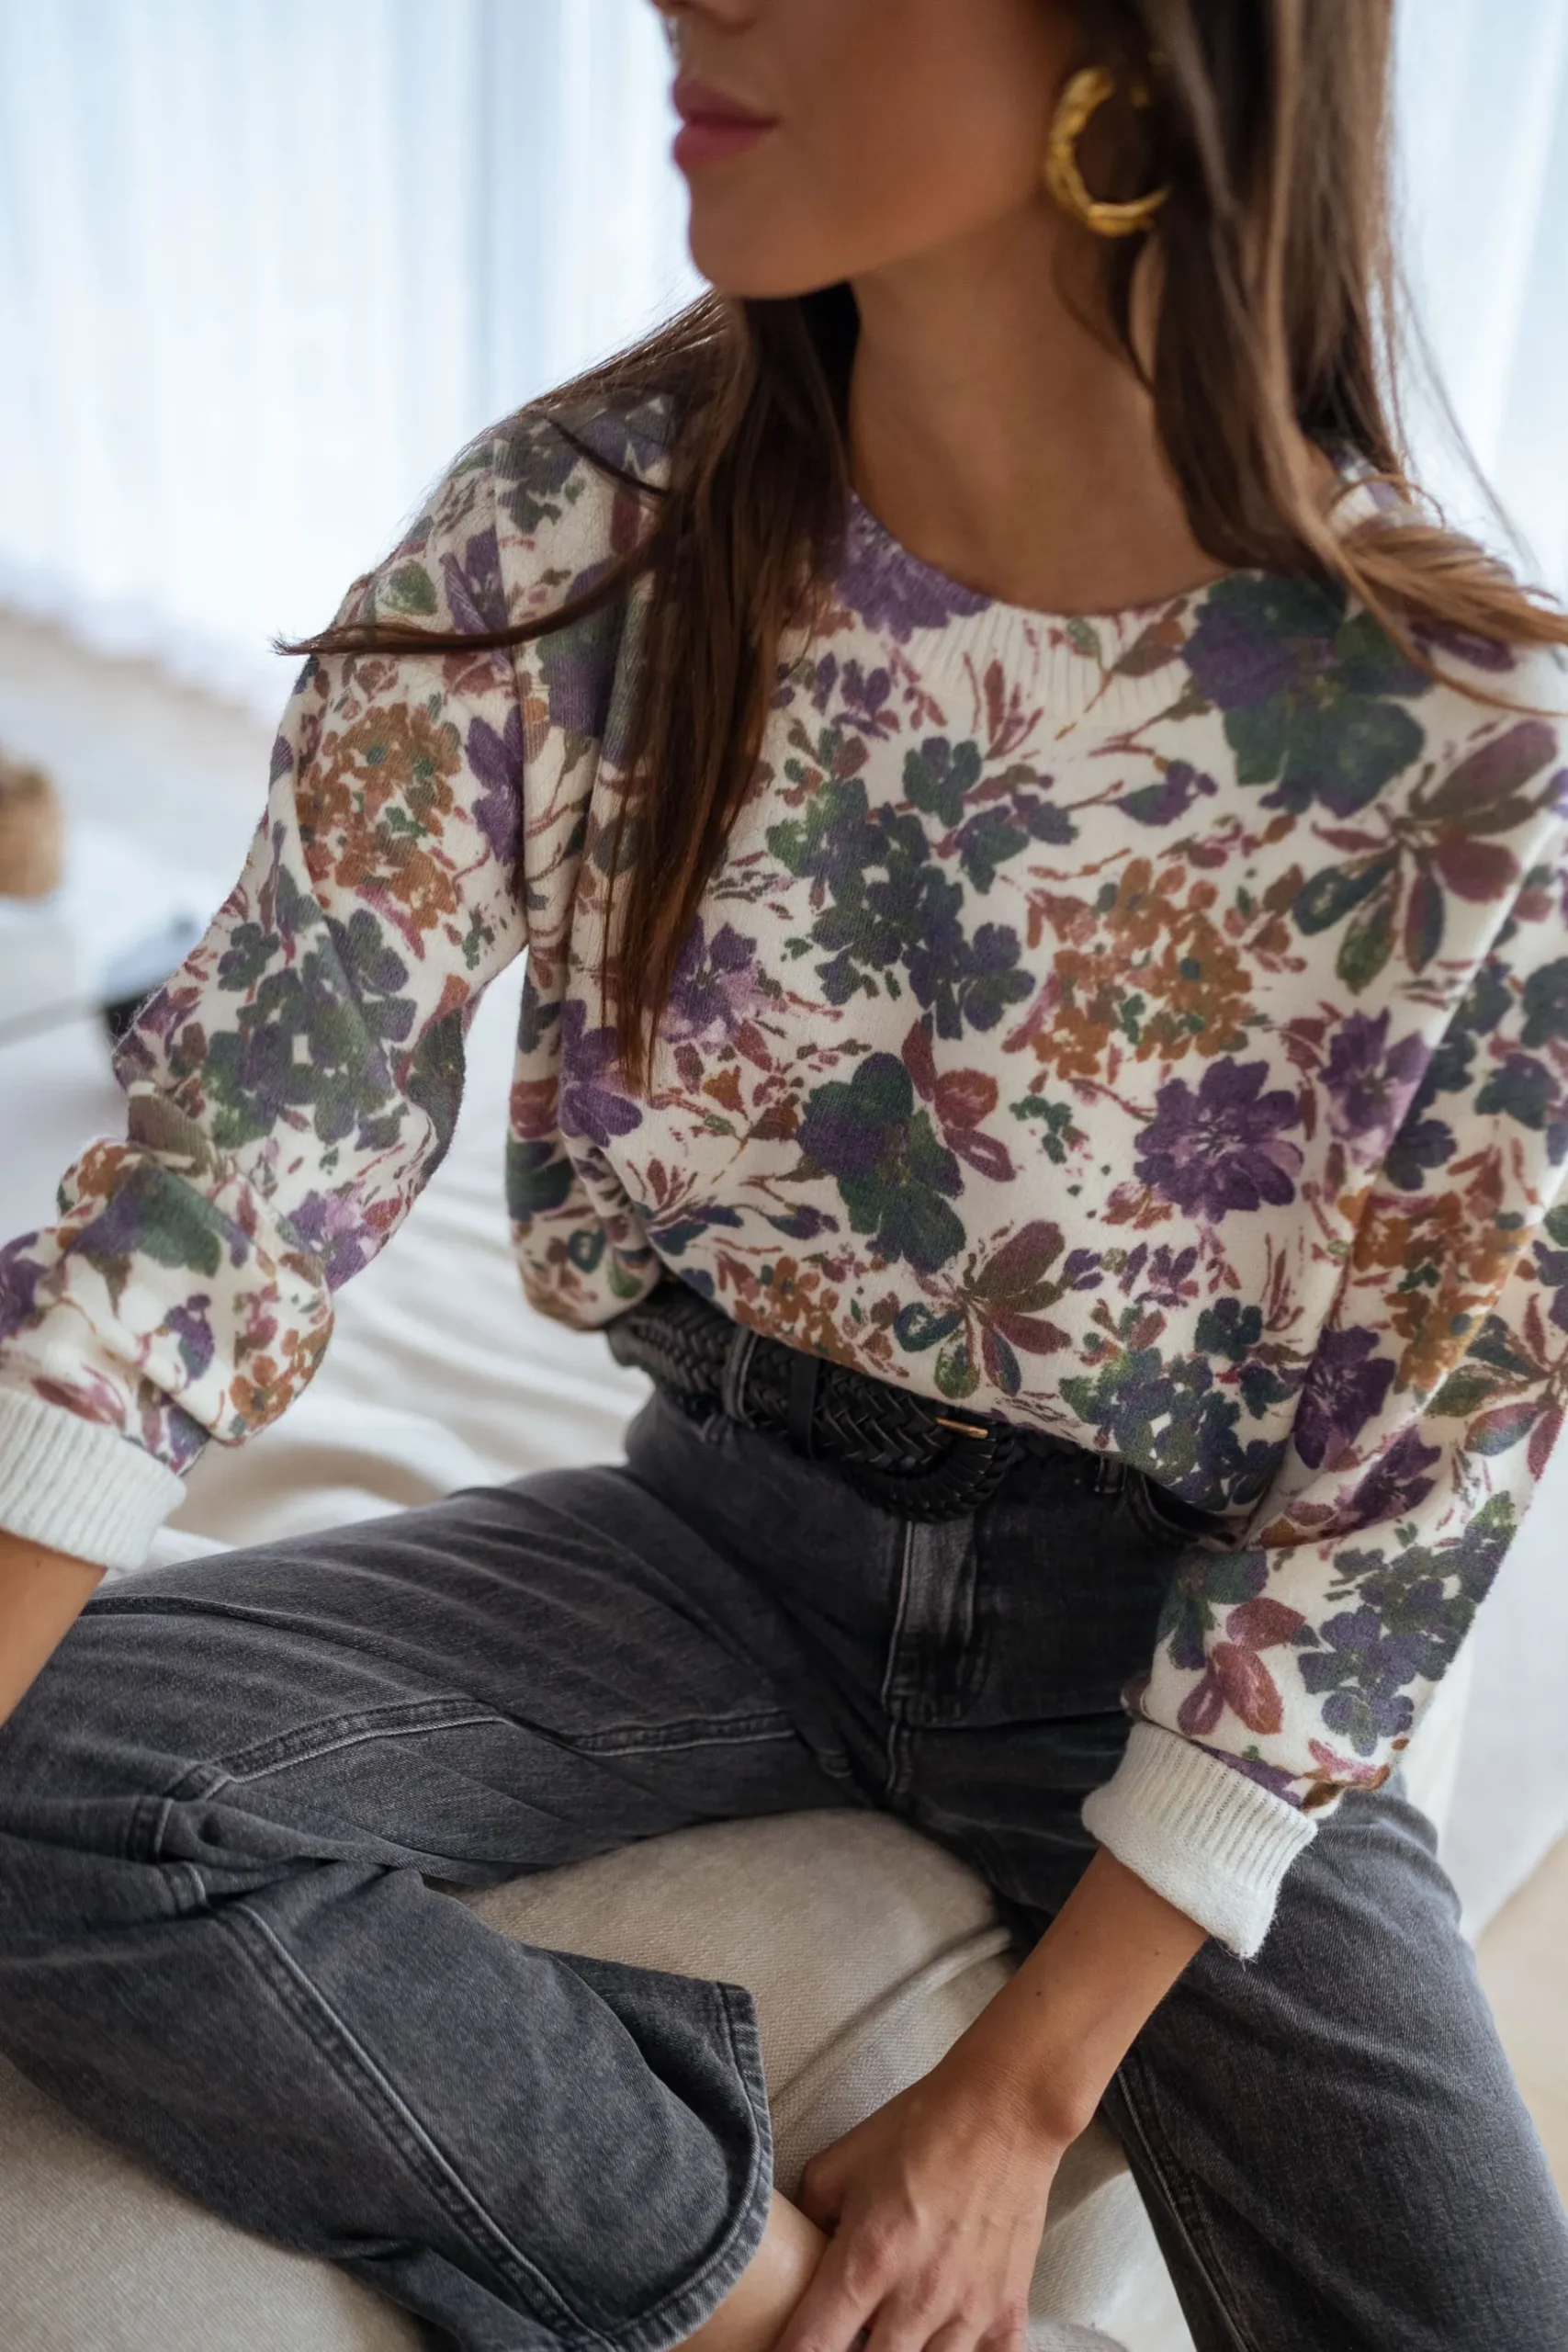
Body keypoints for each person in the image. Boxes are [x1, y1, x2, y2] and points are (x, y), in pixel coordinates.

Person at [2, 1, 1567, 2346]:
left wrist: (1015, 2101)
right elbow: (226, 1170)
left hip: (1141, 1646)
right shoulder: (577, 531)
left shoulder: (1465, 747)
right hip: (715, 1531)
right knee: (47, 1775)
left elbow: (1399, 1499)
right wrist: (746, 2258)